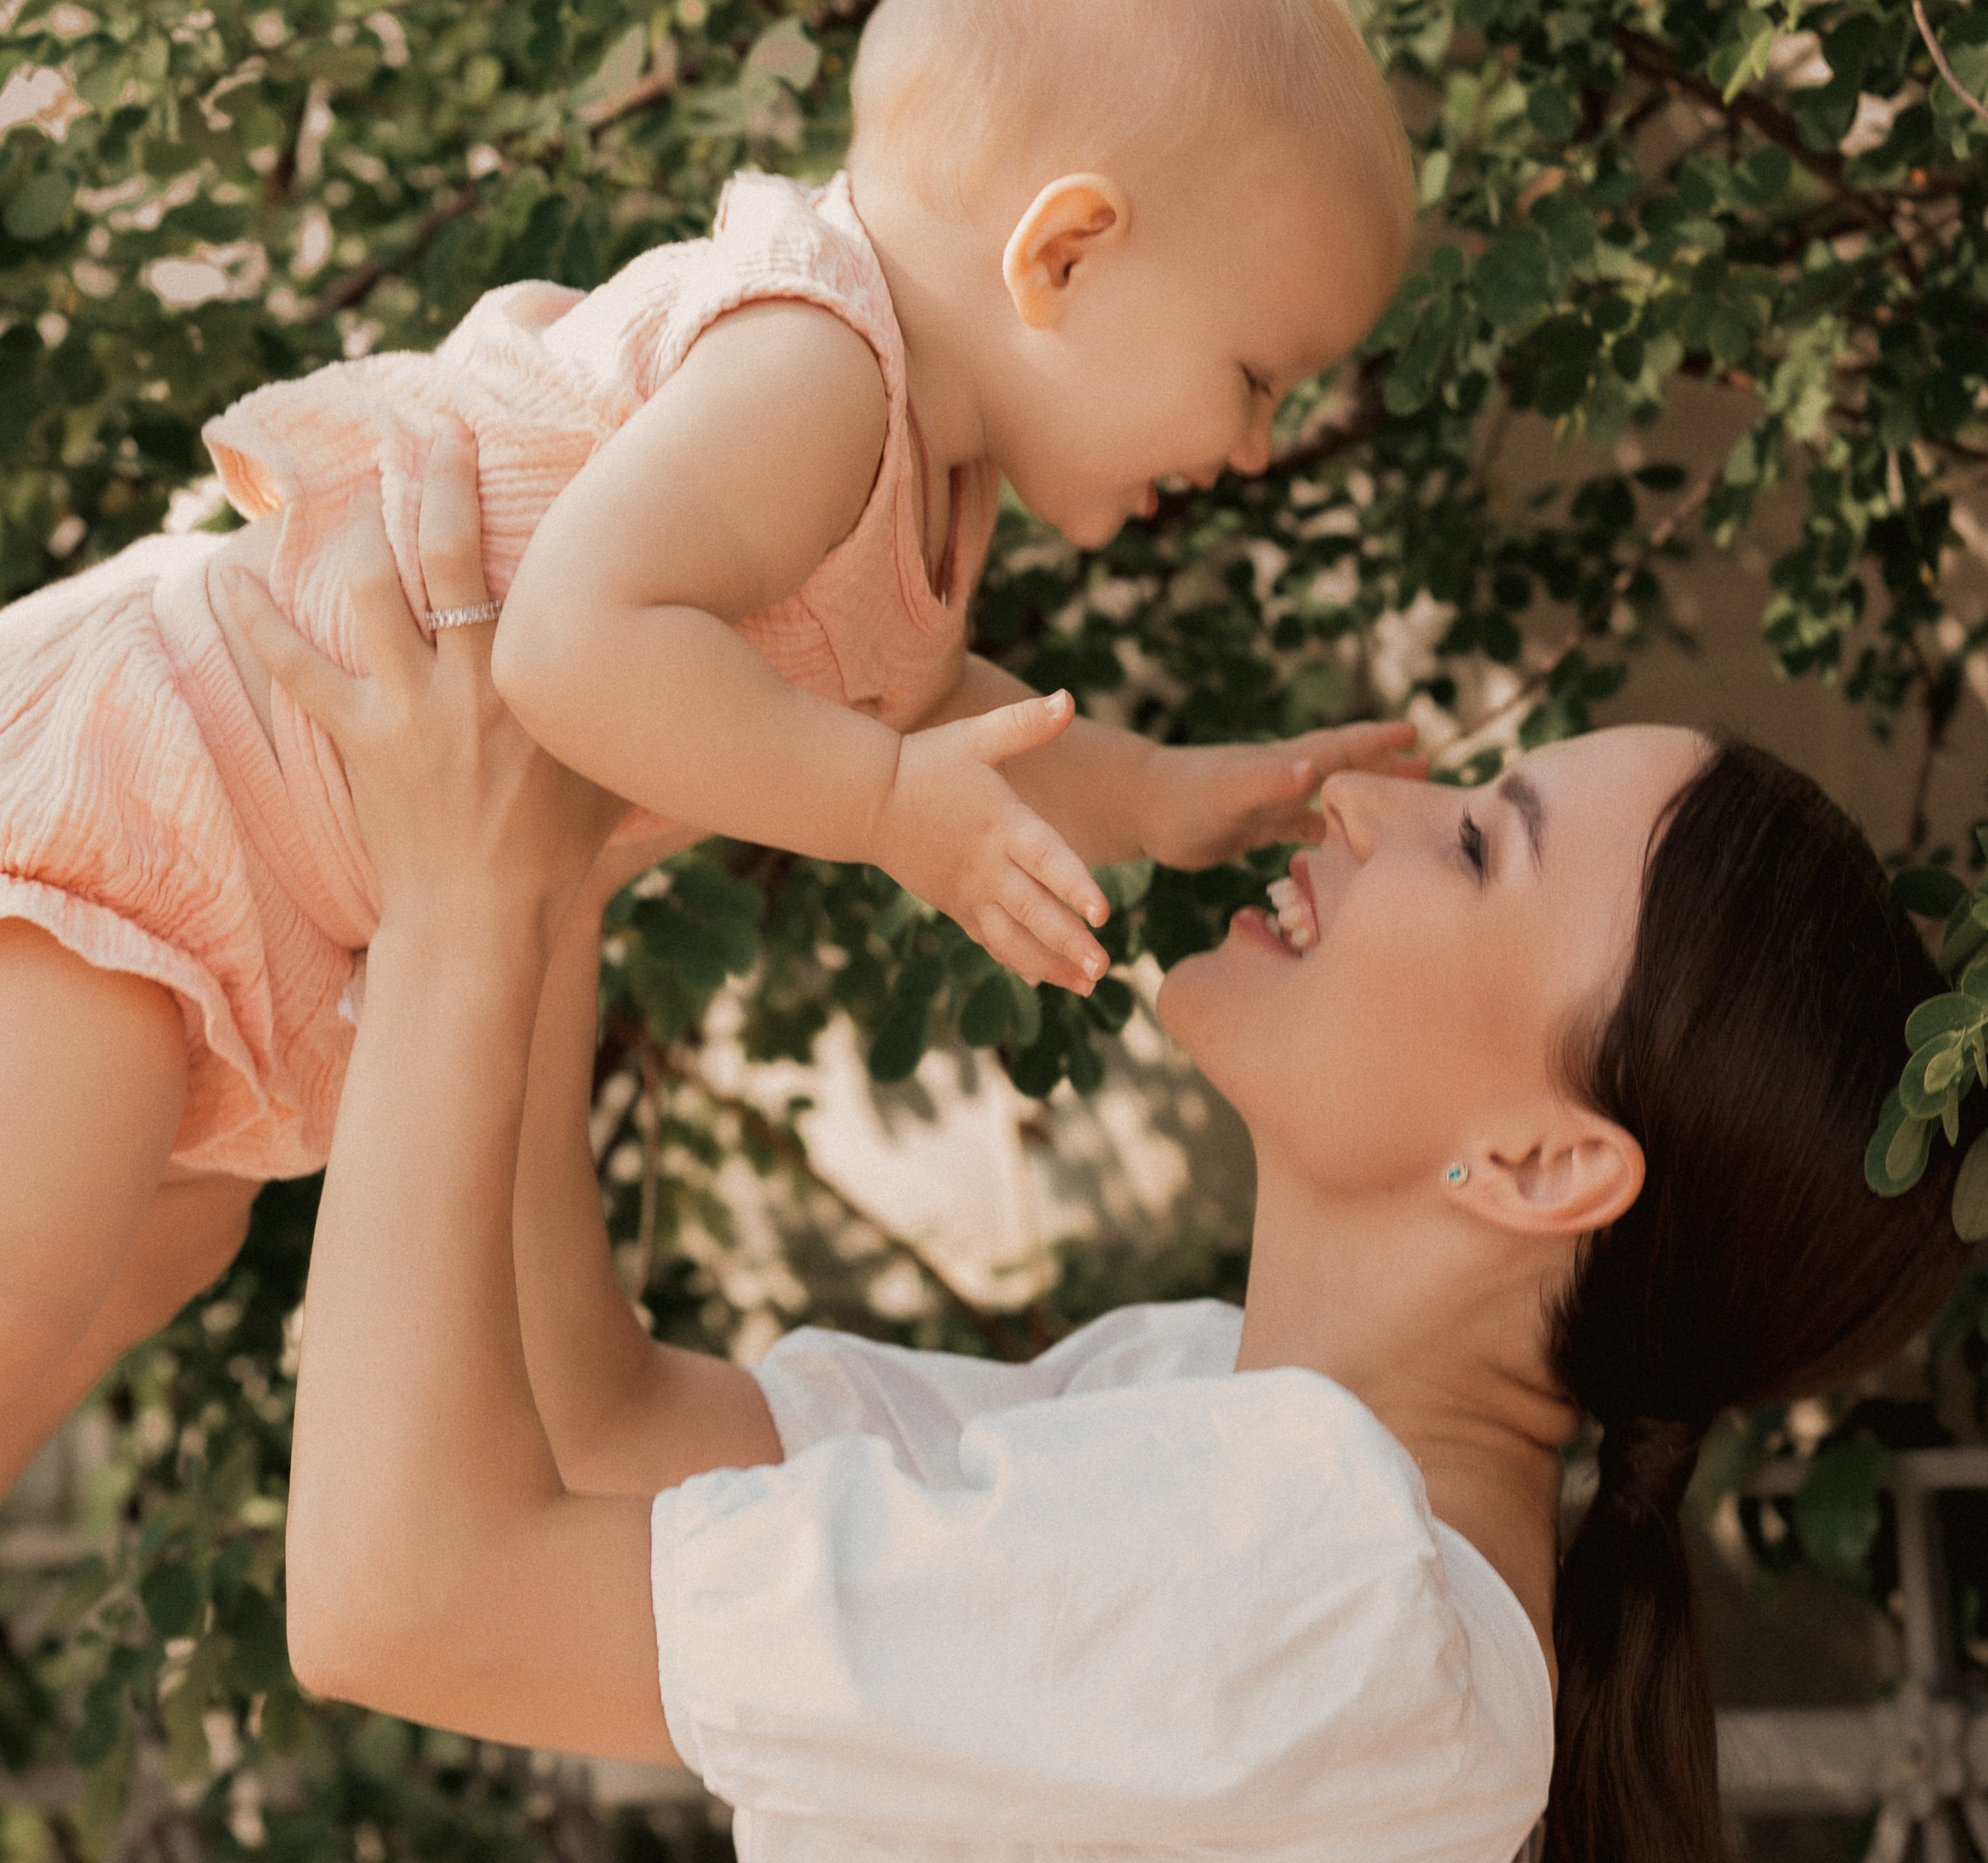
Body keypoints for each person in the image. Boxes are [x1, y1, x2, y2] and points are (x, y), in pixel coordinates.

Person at [236, 434, 1969, 1861]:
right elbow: (604, 1430)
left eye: (1474, 847)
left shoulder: (1326, 1580)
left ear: (1536, 1162)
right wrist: (538, 838)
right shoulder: (1212, 1413)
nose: (1367, 803)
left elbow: (401, 1597)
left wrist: (458, 911)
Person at [0, 0, 1421, 1493]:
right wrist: (885, 811)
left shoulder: (920, 480)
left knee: (139, 1265)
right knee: (32, 1284)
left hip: (279, 909)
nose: (1251, 446)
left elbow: (937, 715)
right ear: (1067, 252)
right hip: (165, 789)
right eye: (1252, 377)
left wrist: (1151, 793)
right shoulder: (816, 365)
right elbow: (574, 646)